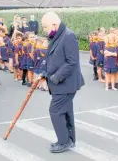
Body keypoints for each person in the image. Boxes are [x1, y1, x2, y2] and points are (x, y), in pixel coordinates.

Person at [41, 12, 84, 153]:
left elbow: (72, 62)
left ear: (54, 24)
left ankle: (64, 142)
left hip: (66, 83)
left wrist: (55, 77)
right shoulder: (57, 35)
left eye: (46, 27)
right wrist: (44, 73)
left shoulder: (68, 36)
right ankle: (69, 140)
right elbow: (51, 58)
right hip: (61, 83)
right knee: (65, 111)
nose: (45, 30)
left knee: (55, 111)